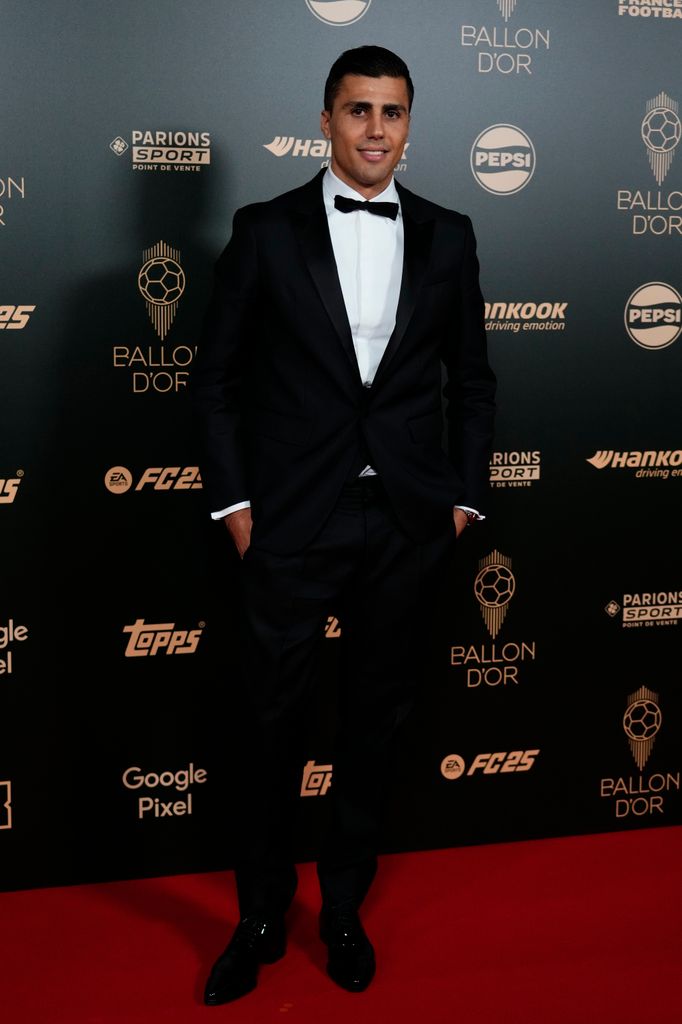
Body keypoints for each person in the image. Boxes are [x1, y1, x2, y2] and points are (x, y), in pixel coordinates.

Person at [190, 45, 495, 1004]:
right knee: (270, 725)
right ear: (325, 120)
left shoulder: (450, 235)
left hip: (404, 520)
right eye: (357, 110)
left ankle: (347, 909)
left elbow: (473, 382)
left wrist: (461, 499)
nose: (374, 129)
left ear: (410, 124)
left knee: (375, 726)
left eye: (392, 112)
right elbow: (217, 380)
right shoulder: (266, 230)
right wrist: (238, 509)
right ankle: (261, 916)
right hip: (290, 522)